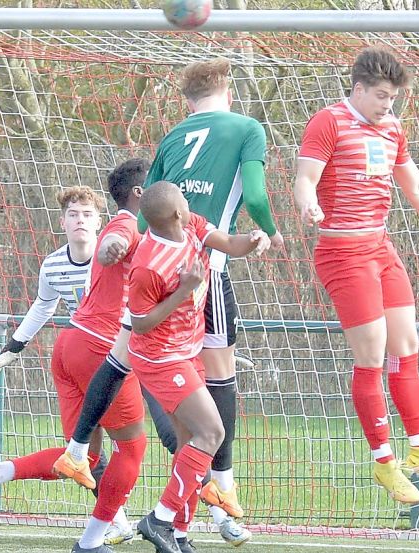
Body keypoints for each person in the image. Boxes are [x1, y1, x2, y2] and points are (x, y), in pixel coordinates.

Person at [293, 46, 419, 505]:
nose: (387, 105)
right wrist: (307, 202)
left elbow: (415, 187)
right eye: (380, 96)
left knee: (407, 345)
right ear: (358, 89)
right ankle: (384, 461)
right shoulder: (329, 122)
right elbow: (303, 178)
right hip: (343, 251)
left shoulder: (393, 129)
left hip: (380, 247)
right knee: (373, 355)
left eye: (393, 98)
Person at [140, 56, 283, 527]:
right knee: (218, 374)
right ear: (229, 93)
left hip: (152, 268)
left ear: (187, 102)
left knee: (146, 362)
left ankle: (179, 495)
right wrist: (270, 230)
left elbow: (145, 212)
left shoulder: (174, 135)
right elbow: (258, 197)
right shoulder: (247, 128)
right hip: (206, 272)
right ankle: (221, 486)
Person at [0, 185, 144, 548]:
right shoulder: (54, 264)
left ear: (100, 223)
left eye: (87, 214)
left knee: (84, 455)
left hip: (93, 351)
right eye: (73, 214)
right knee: (129, 448)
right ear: (62, 222)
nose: (80, 221)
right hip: (97, 354)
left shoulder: (116, 253)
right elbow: (43, 307)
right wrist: (13, 347)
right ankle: (160, 518)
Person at [129, 181, 270, 553]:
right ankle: (158, 519)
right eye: (183, 200)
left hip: (187, 351)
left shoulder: (191, 225)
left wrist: (254, 239)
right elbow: (140, 323)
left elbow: (229, 244)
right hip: (160, 358)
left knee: (189, 442)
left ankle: (177, 533)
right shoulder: (147, 265)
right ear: (175, 212)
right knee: (211, 433)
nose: (188, 204)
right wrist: (182, 290)